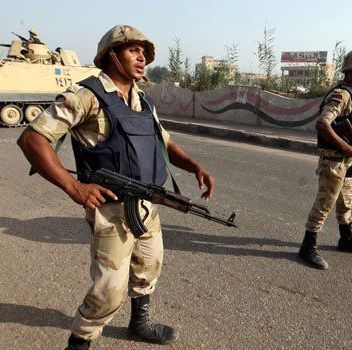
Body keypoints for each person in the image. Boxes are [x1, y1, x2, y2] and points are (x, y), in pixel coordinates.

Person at [17, 24, 214, 349]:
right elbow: (32, 139)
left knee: (149, 266)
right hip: (111, 208)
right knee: (109, 290)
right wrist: (74, 188)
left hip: (146, 203)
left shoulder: (143, 101)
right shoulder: (86, 97)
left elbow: (163, 142)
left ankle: (140, 323)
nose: (142, 58)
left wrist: (195, 167)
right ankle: (79, 342)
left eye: (145, 53)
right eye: (133, 51)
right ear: (112, 54)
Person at [298, 49, 352, 270]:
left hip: (345, 161)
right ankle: (307, 246)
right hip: (333, 160)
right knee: (325, 203)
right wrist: (346, 147)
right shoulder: (341, 95)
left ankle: (347, 239)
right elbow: (323, 124)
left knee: (345, 201)